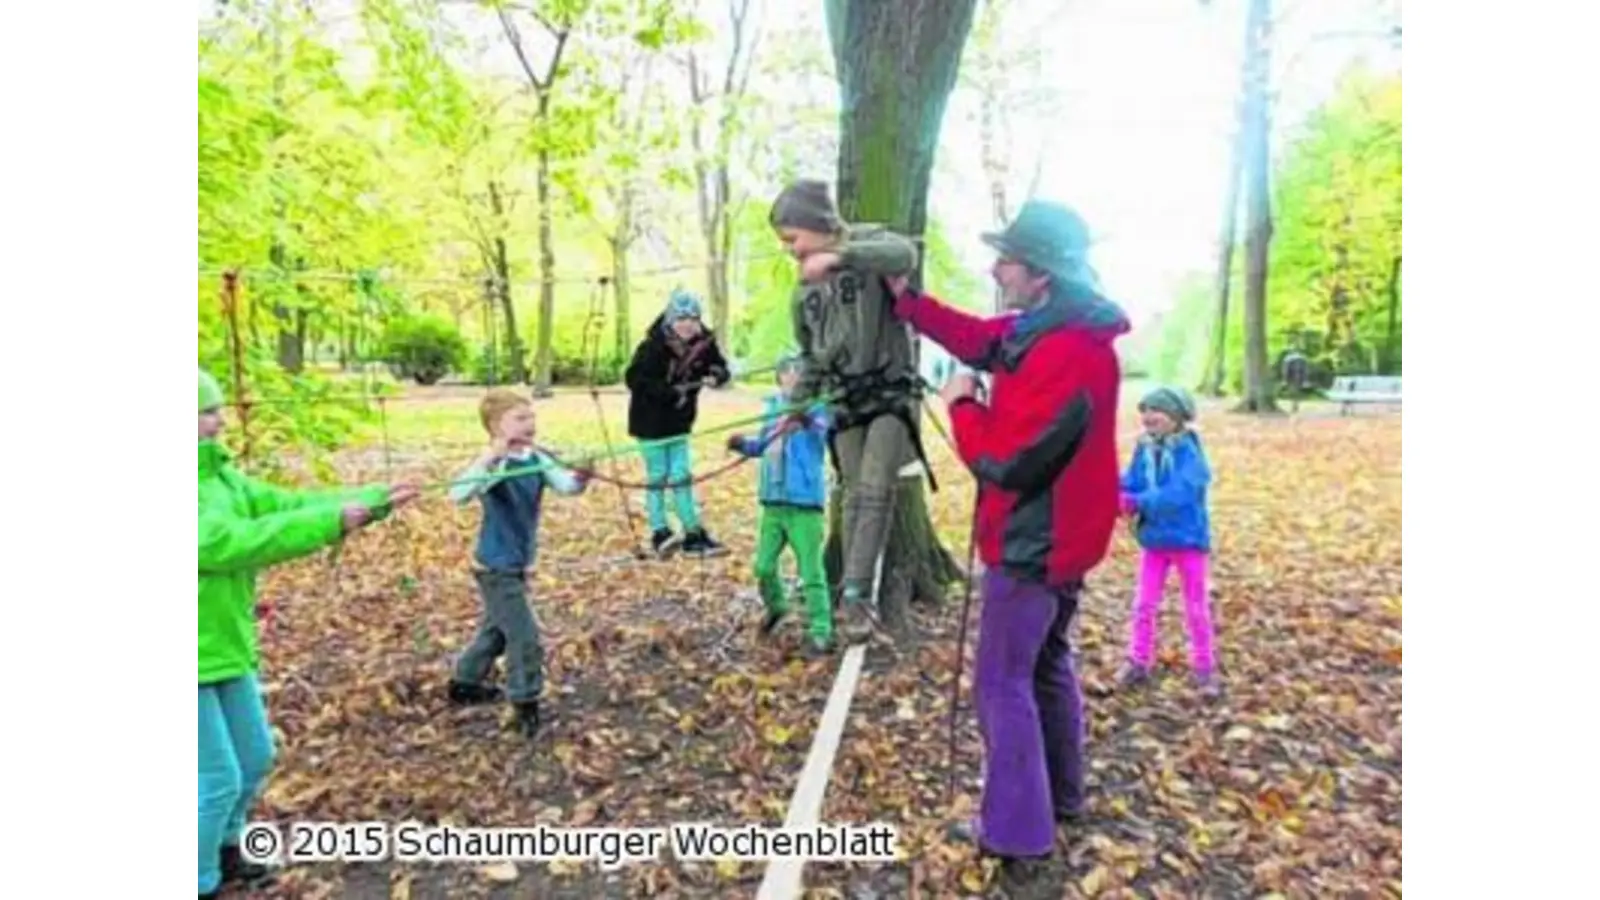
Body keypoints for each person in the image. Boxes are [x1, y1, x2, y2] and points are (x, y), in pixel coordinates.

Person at [886, 200, 1130, 865]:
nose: (997, 268)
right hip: (1060, 539)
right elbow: (982, 339)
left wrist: (961, 402)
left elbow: (1008, 459)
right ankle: (1061, 796)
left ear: (1042, 274)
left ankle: (1020, 835)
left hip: (1037, 543)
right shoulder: (1046, 331)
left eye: (1008, 260)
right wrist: (910, 302)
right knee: (1046, 664)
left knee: (1001, 681)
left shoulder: (1067, 353)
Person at [199, 369, 419, 899]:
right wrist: (330, 524)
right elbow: (227, 543)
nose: (219, 419)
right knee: (216, 778)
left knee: (254, 757)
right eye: (205, 412)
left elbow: (285, 507)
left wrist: (372, 499)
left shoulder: (222, 478)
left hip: (224, 646)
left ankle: (227, 849)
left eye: (218, 407)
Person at [768, 178, 922, 643]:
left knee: (876, 485)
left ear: (818, 224)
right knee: (854, 491)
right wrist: (795, 409)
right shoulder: (805, 293)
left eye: (792, 237)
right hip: (844, 402)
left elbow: (903, 255)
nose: (790, 250)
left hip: (891, 394)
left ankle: (857, 599)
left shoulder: (867, 244)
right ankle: (855, 588)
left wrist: (839, 257)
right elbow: (812, 358)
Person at [447, 390, 591, 738]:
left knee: (496, 632)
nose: (531, 424)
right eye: (520, 419)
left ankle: (464, 683)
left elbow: (567, 486)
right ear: (496, 427)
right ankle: (524, 705)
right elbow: (458, 494)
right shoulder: (496, 466)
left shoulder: (537, 458)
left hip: (517, 563)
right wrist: (490, 458)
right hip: (495, 568)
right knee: (524, 637)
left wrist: (583, 476)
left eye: (531, 418)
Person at [726, 354, 834, 656]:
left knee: (811, 571)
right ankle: (778, 607)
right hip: (773, 503)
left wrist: (807, 420)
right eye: (785, 372)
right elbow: (763, 445)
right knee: (762, 566)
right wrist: (742, 445)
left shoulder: (818, 407)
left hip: (804, 505)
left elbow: (827, 430)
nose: (791, 377)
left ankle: (821, 630)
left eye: (797, 372)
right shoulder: (772, 408)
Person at [1118, 386, 1219, 697]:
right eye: (1145, 410)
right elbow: (1131, 480)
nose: (1149, 417)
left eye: (1156, 410)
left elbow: (1180, 493)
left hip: (1188, 542)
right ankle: (1138, 659)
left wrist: (1138, 502)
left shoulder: (1190, 451)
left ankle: (1204, 667)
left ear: (1176, 417)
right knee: (1144, 604)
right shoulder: (1144, 448)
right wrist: (1116, 494)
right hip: (1155, 542)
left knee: (1195, 606)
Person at [624, 289, 730, 558]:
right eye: (682, 318)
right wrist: (669, 391)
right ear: (671, 320)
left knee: (682, 476)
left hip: (679, 422)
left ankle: (693, 534)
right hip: (650, 423)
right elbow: (634, 379)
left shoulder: (703, 344)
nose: (688, 324)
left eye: (693, 319)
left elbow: (720, 366)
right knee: (658, 476)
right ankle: (660, 532)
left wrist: (716, 376)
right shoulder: (653, 346)